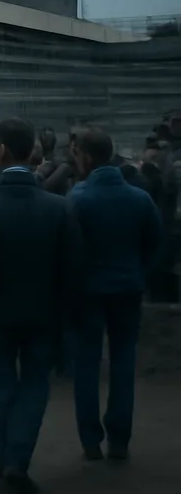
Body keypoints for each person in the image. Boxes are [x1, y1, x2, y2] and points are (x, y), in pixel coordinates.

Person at [0, 117, 84, 494]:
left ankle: (0, 458)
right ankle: (18, 459)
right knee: (34, 387)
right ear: (32, 152)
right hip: (43, 315)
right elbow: (73, 271)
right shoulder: (59, 207)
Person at [68, 127, 163, 462]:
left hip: (88, 292)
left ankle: (90, 440)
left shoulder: (77, 199)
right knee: (124, 363)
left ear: (87, 157)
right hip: (127, 289)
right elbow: (155, 244)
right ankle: (120, 439)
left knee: (87, 364)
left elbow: (68, 250)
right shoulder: (139, 198)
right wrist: (139, 272)